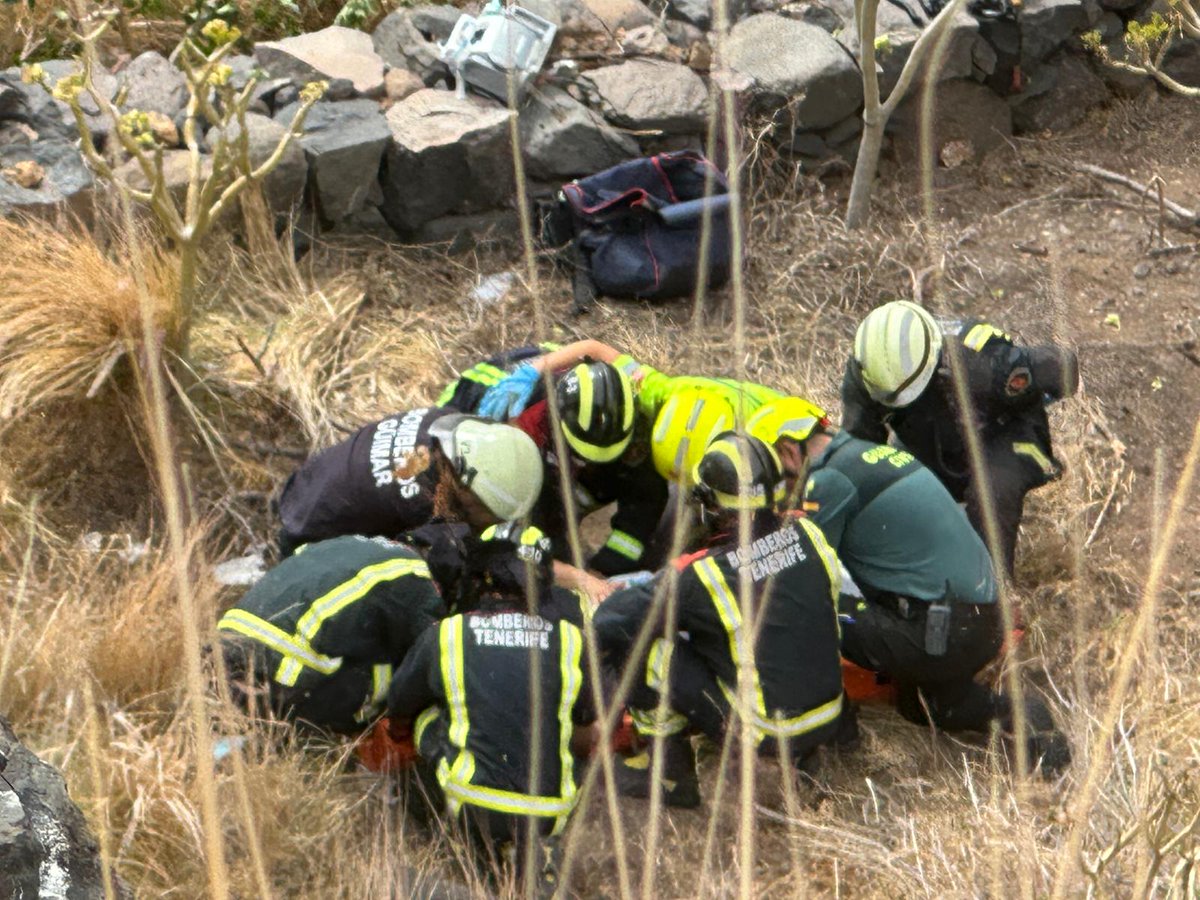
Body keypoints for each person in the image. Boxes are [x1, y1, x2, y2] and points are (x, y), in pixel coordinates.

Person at [747, 405, 1071, 774]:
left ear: (788, 451)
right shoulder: (865, 454)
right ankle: (1018, 715)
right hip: (977, 622)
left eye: (777, 476)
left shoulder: (828, 482)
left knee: (809, 605)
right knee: (925, 707)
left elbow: (796, 570)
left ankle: (833, 732)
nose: (781, 490)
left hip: (943, 633)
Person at [593, 433, 853, 808]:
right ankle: (814, 748)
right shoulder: (810, 533)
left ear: (712, 505)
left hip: (767, 733)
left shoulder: (704, 574)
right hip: (831, 713)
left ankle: (670, 775)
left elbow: (611, 620)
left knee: (641, 649)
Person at [387, 523, 595, 894]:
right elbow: (587, 722)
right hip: (551, 813)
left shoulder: (448, 633)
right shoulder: (571, 640)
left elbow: (399, 707)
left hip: (472, 805)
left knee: (426, 717)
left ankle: (446, 833)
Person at [841, 300, 1079, 573]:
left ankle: (992, 587)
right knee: (887, 490)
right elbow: (859, 453)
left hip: (1008, 437)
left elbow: (1063, 367)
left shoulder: (982, 360)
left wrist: (1038, 377)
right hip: (931, 443)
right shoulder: (867, 375)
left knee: (991, 491)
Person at [439, 348, 663, 577]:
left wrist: (606, 568)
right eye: (582, 454)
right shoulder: (523, 427)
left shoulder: (636, 401)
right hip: (469, 398)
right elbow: (524, 528)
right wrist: (570, 573)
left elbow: (648, 496)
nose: (588, 463)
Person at [218, 534, 444, 735]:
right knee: (384, 674)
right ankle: (342, 740)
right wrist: (401, 721)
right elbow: (427, 658)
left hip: (228, 641)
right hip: (283, 669)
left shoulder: (346, 543)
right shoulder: (417, 576)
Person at [275, 408, 544, 557]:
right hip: (309, 534)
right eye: (492, 515)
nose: (494, 523)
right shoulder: (424, 502)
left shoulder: (446, 424)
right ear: (466, 490)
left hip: (306, 483)